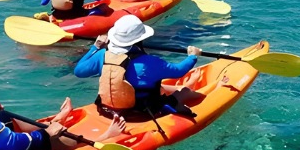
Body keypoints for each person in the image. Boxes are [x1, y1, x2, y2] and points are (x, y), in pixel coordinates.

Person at [73, 14, 203, 121]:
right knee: (184, 96)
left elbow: (78, 71)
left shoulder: (101, 55)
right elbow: (179, 71)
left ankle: (183, 89)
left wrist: (95, 47)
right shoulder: (150, 62)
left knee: (159, 87)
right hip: (142, 111)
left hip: (107, 109)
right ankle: (185, 91)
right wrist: (193, 56)